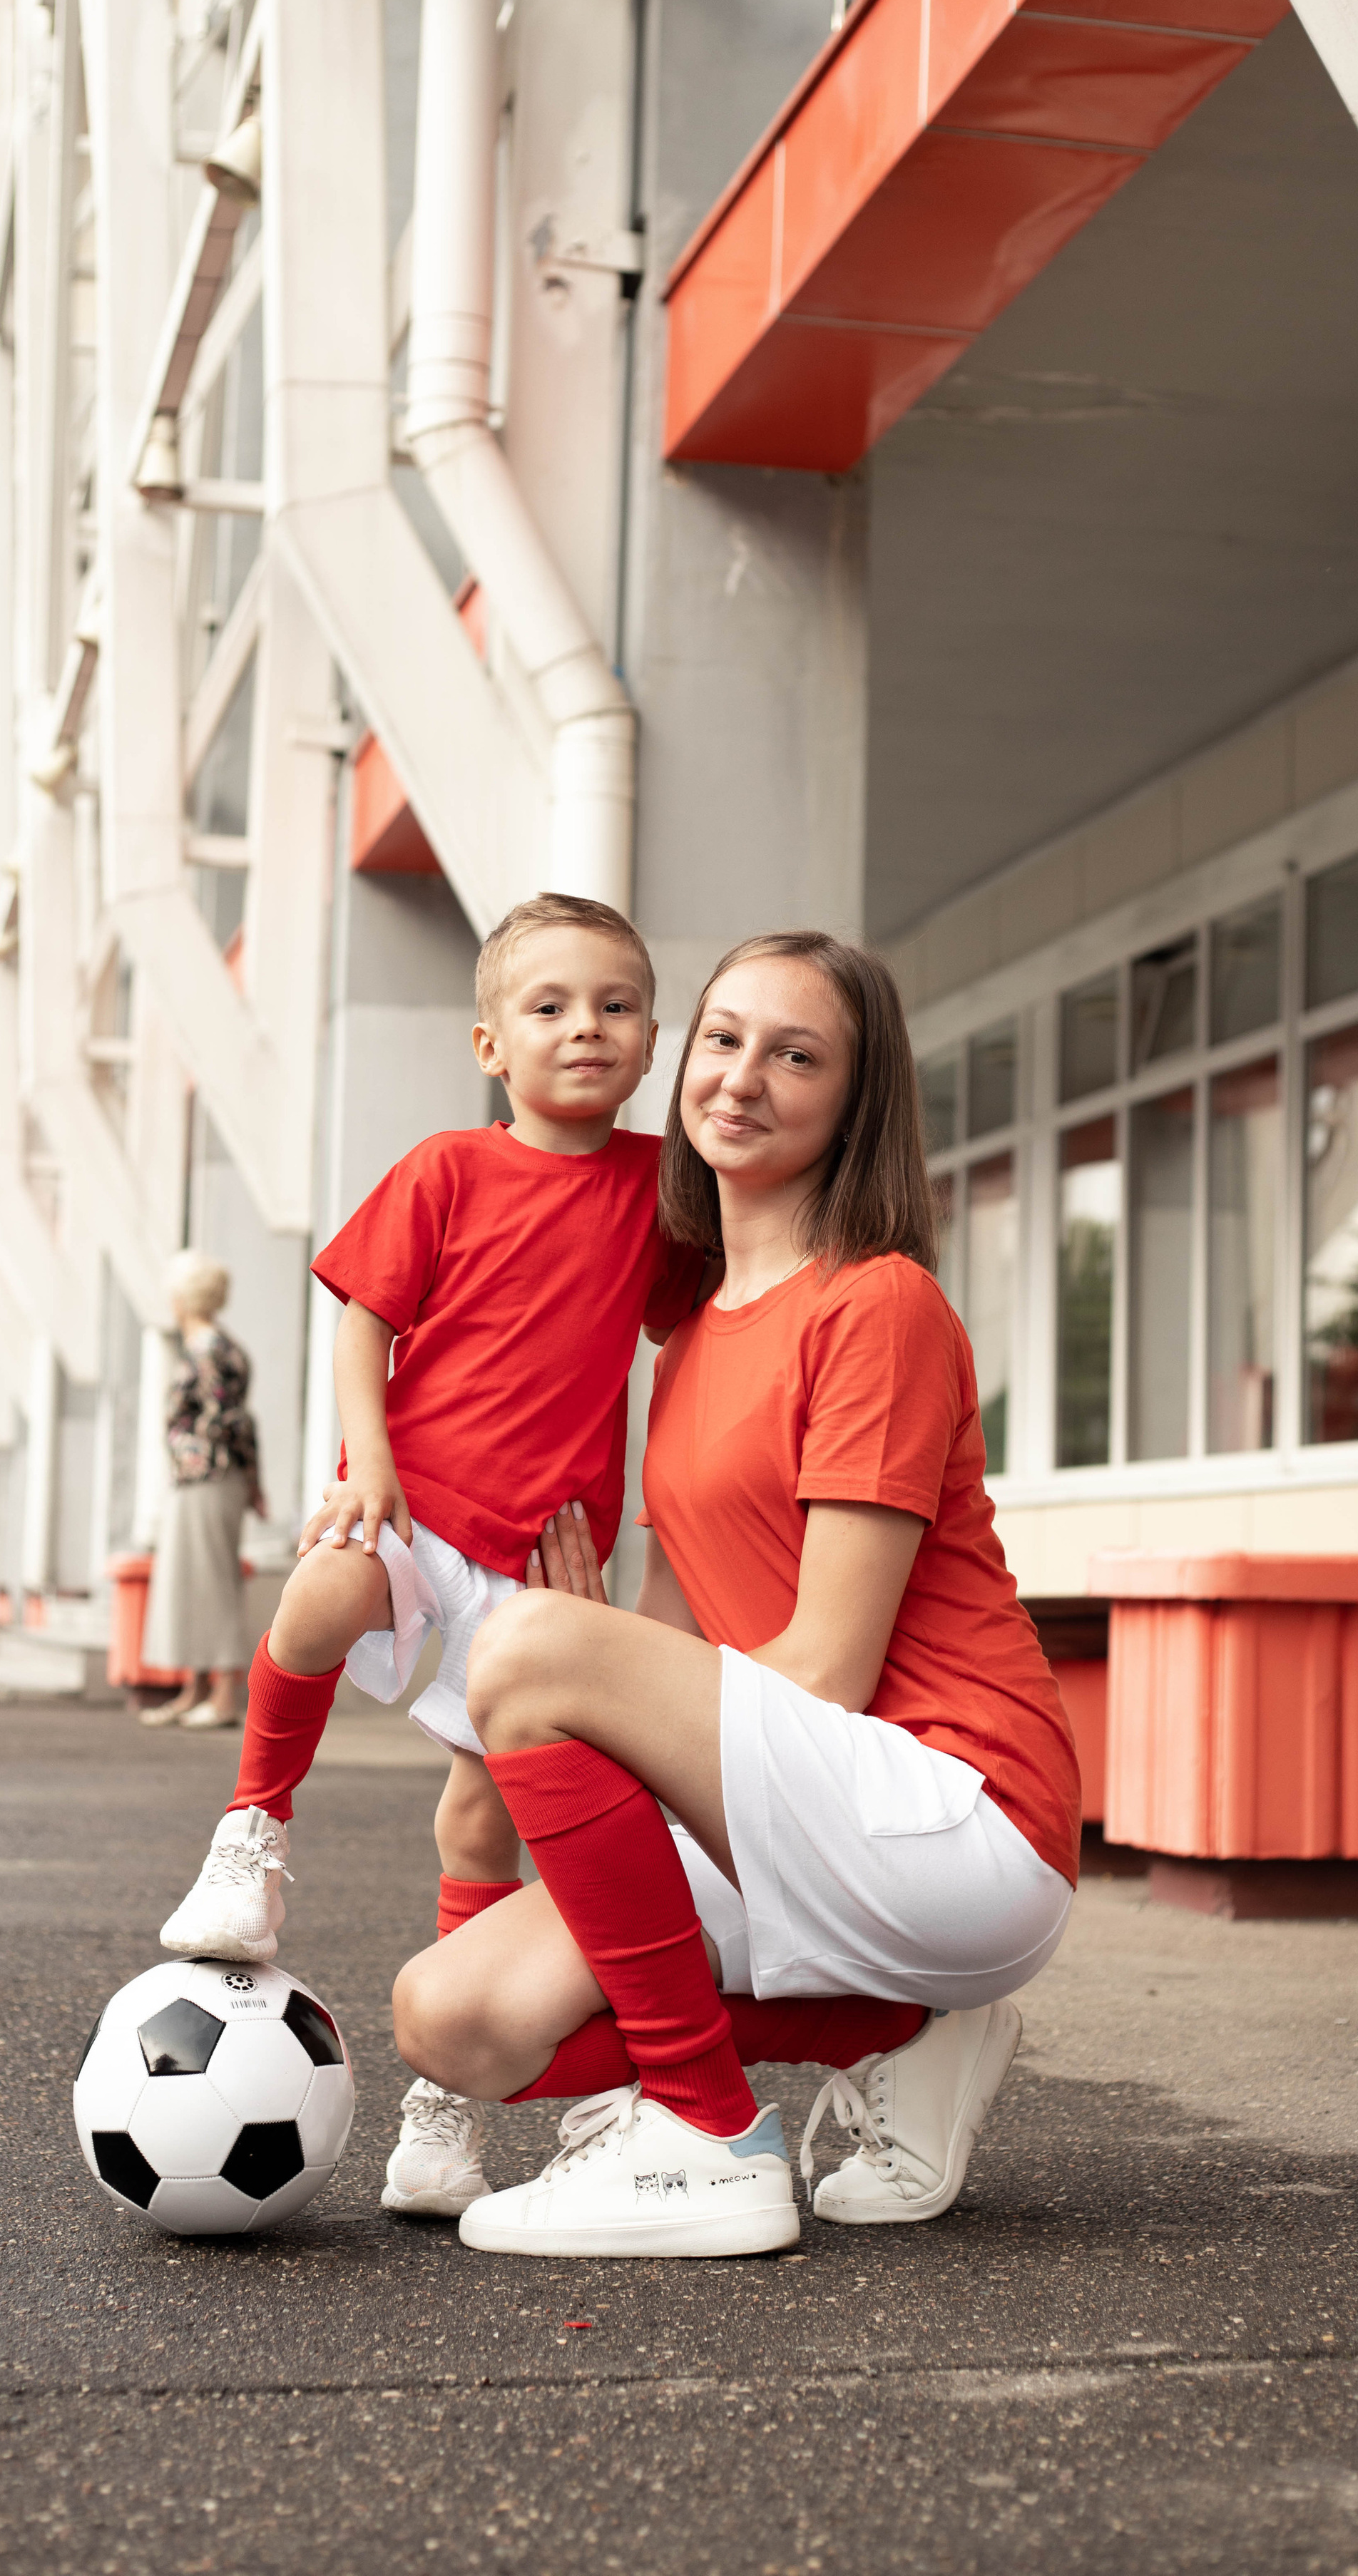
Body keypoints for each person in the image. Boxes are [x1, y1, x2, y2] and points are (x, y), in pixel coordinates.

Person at [389, 930, 1082, 2259]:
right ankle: (902, 2027)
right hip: (803, 1808)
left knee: (533, 1651)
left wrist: (565, 1670)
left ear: (854, 1100)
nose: (743, 1078)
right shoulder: (692, 1330)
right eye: (723, 1038)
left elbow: (824, 1666)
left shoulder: (879, 1308)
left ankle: (710, 2137)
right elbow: (675, 1633)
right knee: (452, 2017)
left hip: (957, 1814)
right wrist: (579, 1676)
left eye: (797, 1053)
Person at [156, 892, 708, 2212]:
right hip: (413, 1519)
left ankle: (445, 2116)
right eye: (552, 1006)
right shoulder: (445, 1172)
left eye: (618, 1007)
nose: (588, 1028)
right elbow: (362, 1321)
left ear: (649, 1044)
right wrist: (369, 1464)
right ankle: (251, 1837)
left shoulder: (657, 1197)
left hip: (540, 1568)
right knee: (323, 1589)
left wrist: (642, 1568)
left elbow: (700, 1342)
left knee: (487, 1809)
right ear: (489, 1045)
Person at [136, 1253, 264, 1730]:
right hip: (202, 1479)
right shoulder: (210, 1346)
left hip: (209, 1478)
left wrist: (246, 1479)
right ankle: (197, 1690)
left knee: (211, 1580)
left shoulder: (209, 1350)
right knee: (193, 1580)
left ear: (183, 1298)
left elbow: (231, 1420)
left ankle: (225, 1697)